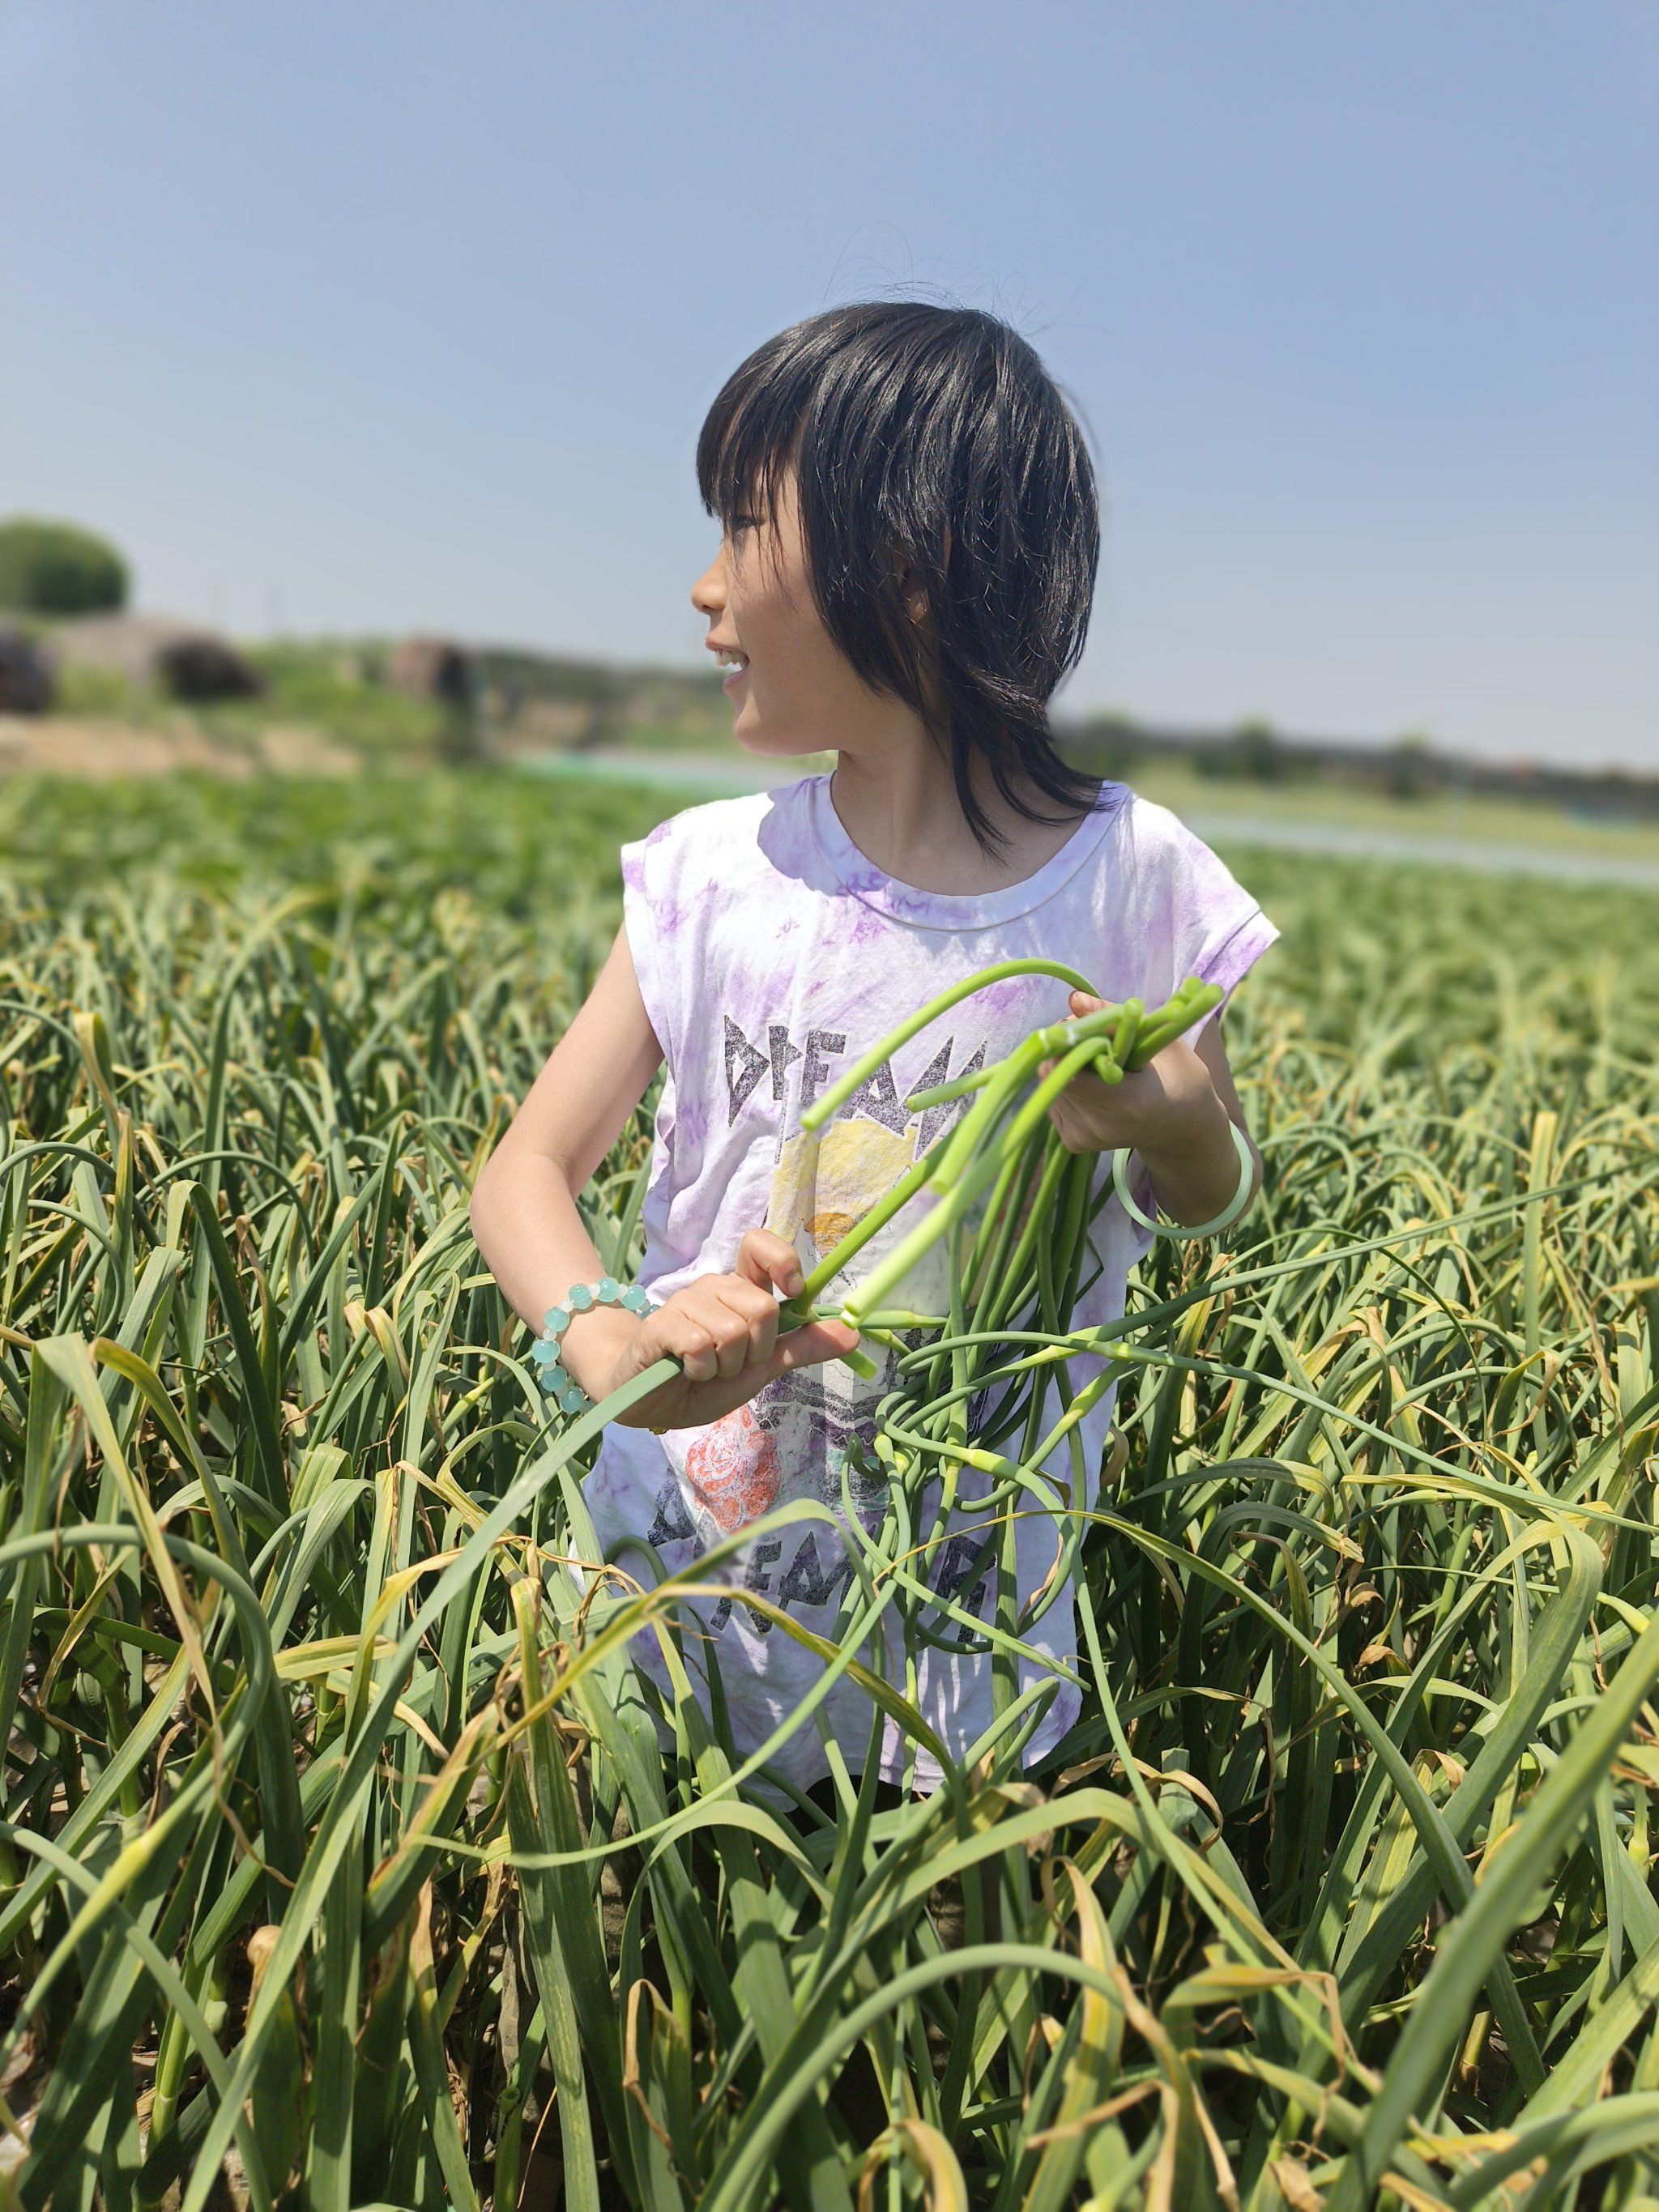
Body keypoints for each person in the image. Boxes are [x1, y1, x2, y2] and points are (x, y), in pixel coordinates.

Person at [468, 300, 1278, 1811]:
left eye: (742, 526)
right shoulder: (713, 875)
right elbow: (529, 1165)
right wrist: (610, 1351)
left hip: (960, 1657)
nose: (703, 590)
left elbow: (1212, 1185)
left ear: (901, 570)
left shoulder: (1132, 882)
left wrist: (1164, 1116)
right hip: (672, 1610)